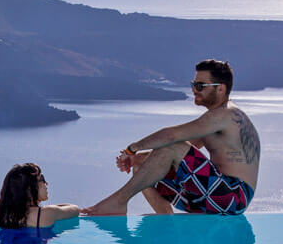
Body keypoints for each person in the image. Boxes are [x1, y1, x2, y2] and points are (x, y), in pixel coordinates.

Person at [82, 59, 260, 216]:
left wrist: (132, 148)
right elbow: (187, 151)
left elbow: (171, 137)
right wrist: (136, 158)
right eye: (193, 84)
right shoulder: (215, 119)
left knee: (171, 145)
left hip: (233, 195)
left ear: (220, 88)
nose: (194, 90)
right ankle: (165, 220)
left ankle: (118, 202)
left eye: (200, 86)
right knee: (142, 167)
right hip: (216, 194)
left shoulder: (225, 115)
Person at [0, 162, 80, 227]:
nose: (46, 183)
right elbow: (75, 209)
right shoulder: (47, 213)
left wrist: (4, 208)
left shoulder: (3, 211)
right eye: (42, 179)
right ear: (29, 188)